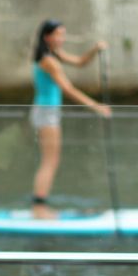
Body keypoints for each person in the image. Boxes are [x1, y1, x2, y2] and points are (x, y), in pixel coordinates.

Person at [29, 19, 112, 218]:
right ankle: (39, 209)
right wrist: (96, 107)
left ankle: (39, 206)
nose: (63, 38)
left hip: (48, 112)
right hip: (46, 113)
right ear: (48, 37)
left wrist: (95, 49)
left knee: (51, 160)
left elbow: (80, 62)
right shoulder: (48, 61)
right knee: (50, 161)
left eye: (63, 34)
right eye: (59, 34)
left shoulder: (53, 54)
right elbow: (68, 89)